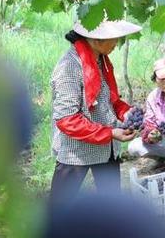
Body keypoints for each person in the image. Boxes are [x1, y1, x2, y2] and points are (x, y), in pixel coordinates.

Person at [50, 19, 142, 201]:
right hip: (77, 150)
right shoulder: (69, 68)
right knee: (60, 206)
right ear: (97, 40)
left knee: (111, 201)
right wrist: (110, 133)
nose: (117, 43)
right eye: (114, 39)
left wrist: (126, 113)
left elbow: (109, 99)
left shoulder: (100, 60)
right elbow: (66, 119)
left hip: (107, 147)